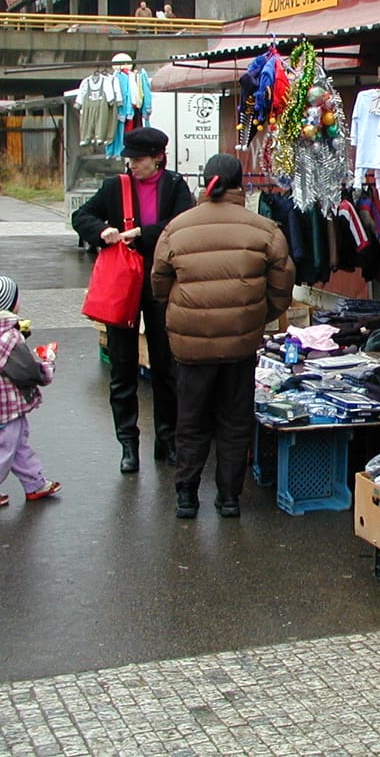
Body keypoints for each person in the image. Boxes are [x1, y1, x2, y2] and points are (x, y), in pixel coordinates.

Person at [152, 153, 294, 519]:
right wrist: (259, 317)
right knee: (234, 420)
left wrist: (183, 311)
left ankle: (186, 495)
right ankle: (229, 498)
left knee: (191, 419)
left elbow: (159, 283)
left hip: (189, 342)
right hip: (241, 342)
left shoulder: (177, 228)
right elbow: (281, 288)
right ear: (241, 184)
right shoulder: (264, 229)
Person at [72, 127, 193, 474]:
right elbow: (81, 216)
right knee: (122, 367)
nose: (132, 165)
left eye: (138, 159)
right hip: (123, 283)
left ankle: (166, 439)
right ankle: (128, 443)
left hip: (160, 283)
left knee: (166, 365)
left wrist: (143, 233)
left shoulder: (175, 185)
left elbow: (181, 225)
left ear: (158, 158)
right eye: (130, 159)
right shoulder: (115, 187)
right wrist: (101, 231)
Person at [0, 275, 62, 508]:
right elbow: (27, 372)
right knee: (2, 449)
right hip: (3, 406)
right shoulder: (7, 338)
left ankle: (35, 483)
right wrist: (47, 363)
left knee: (18, 444)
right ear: (8, 302)